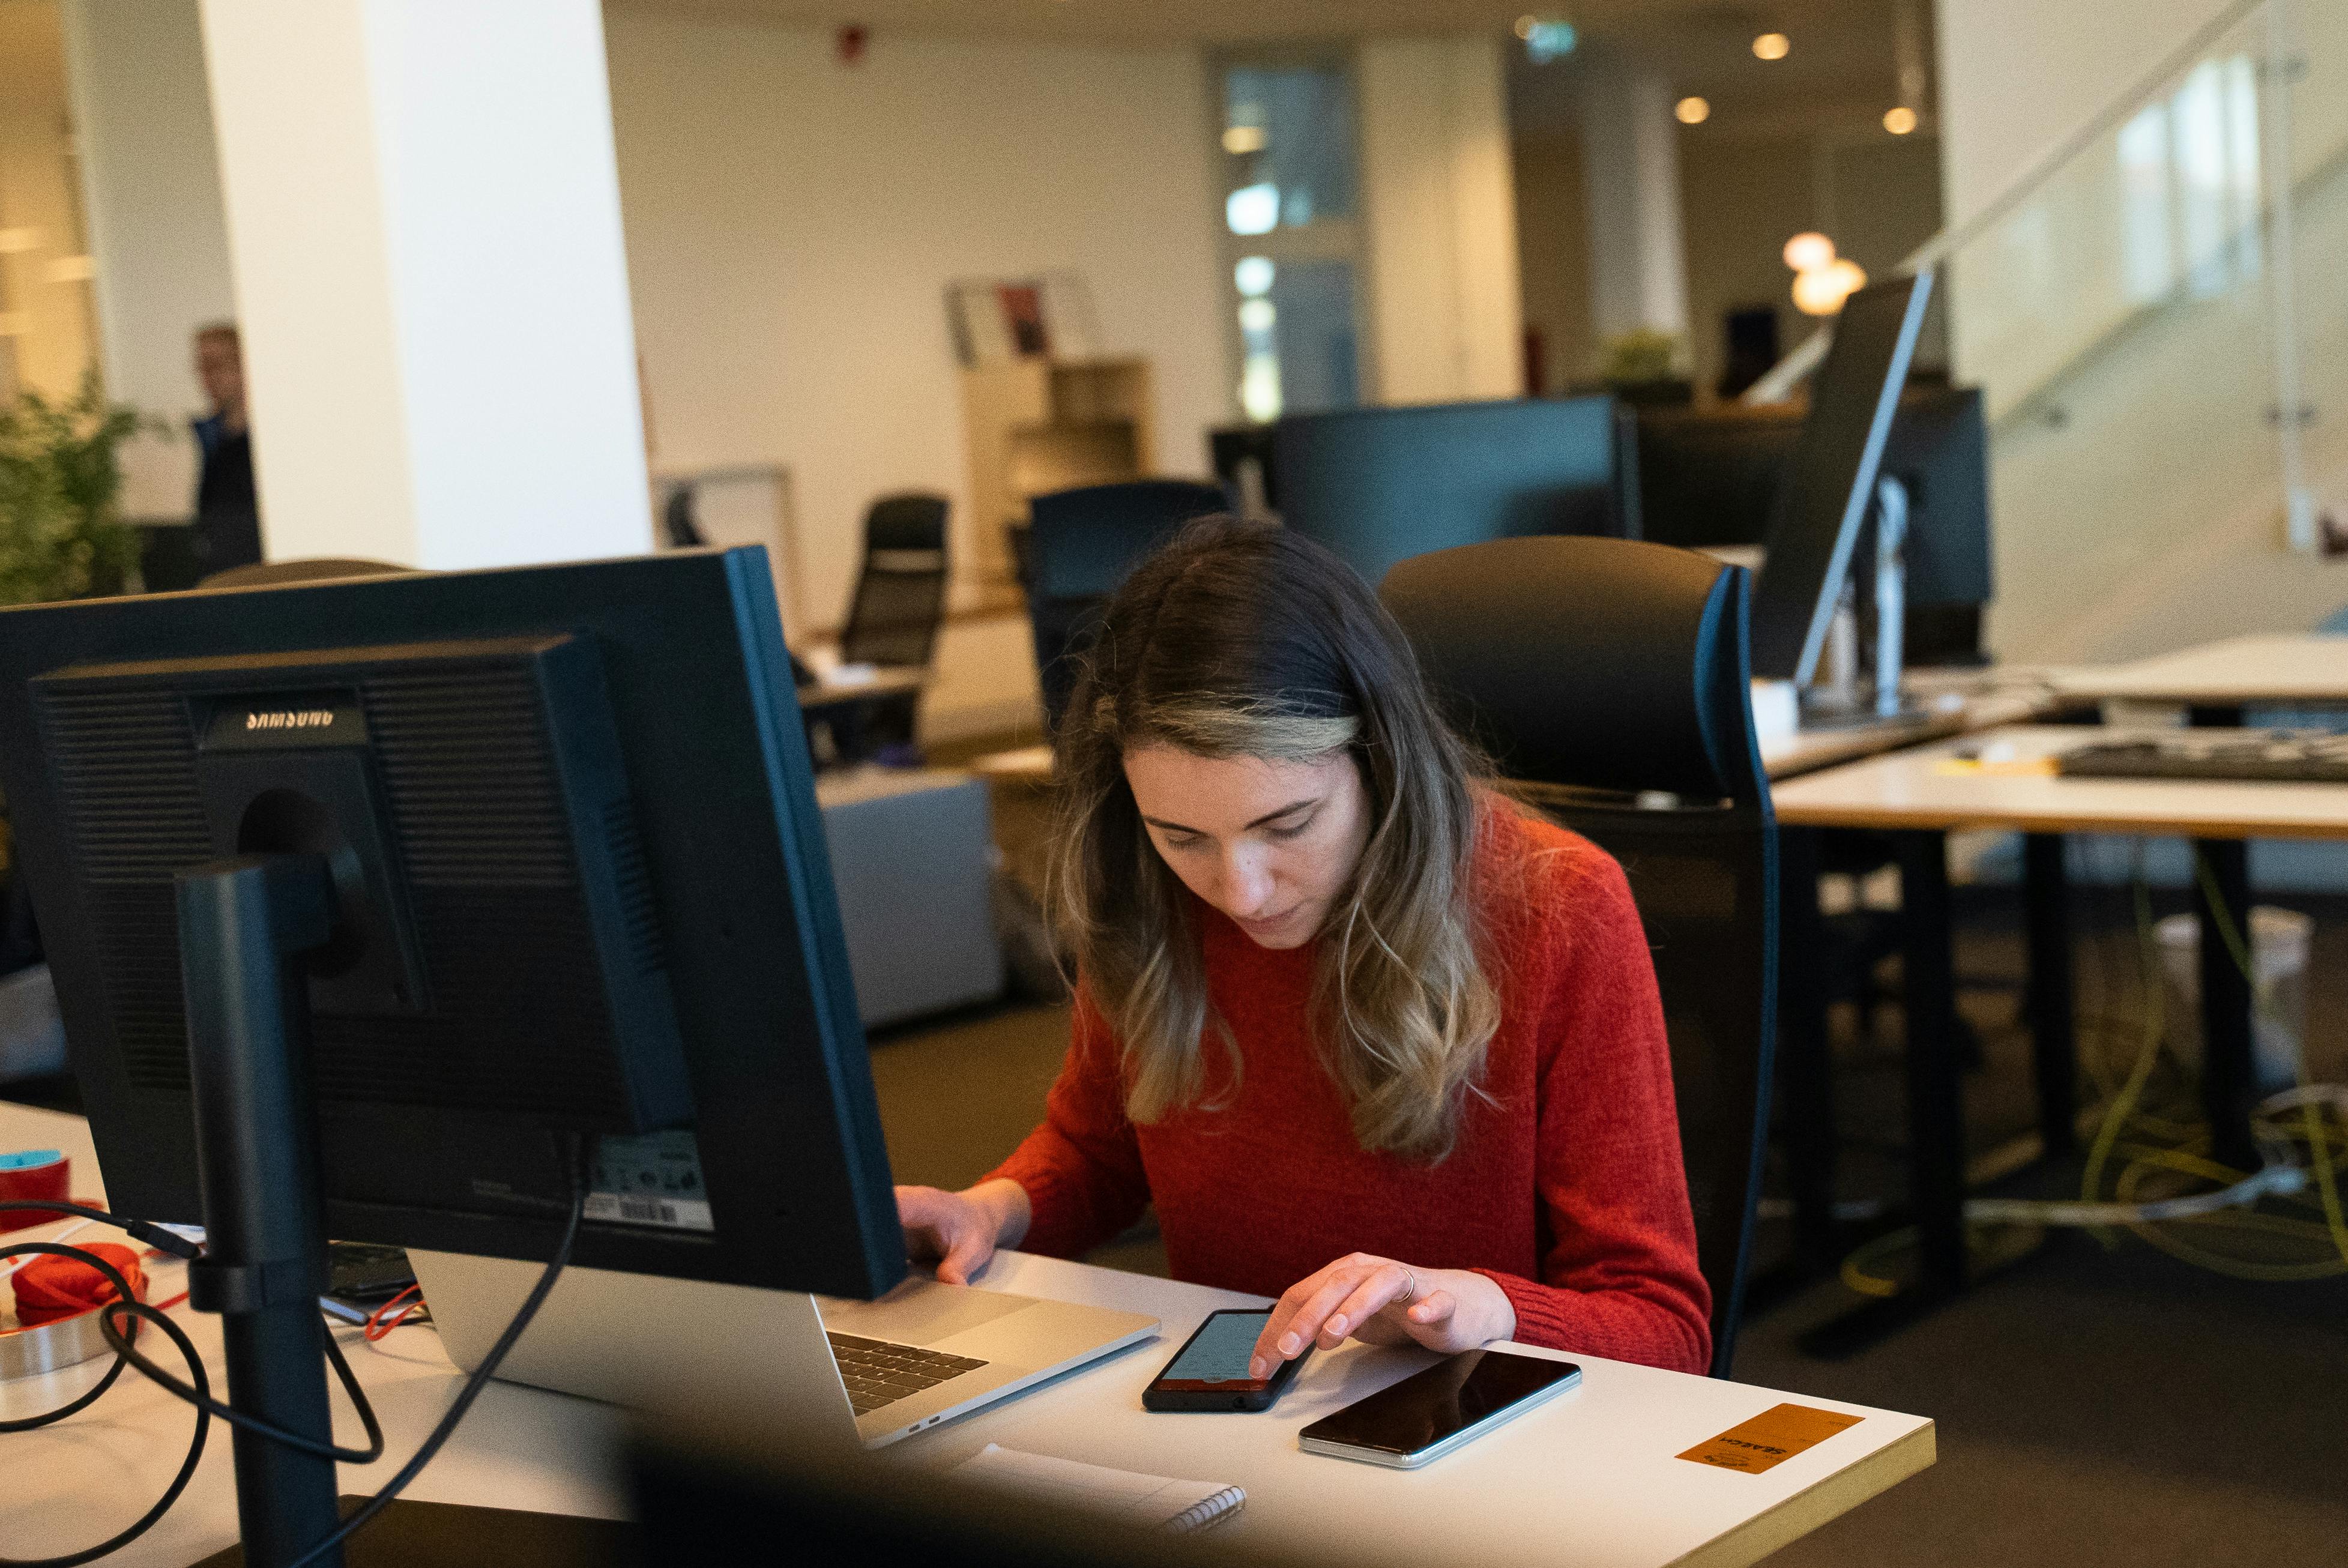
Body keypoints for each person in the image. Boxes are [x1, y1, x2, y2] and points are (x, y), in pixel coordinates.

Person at [896, 519, 1712, 1377]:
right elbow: (1100, 1151)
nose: (1239, 890)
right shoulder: (1146, 890)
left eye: (1285, 825)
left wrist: (1476, 1305)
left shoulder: (1554, 902)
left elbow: (1662, 1326)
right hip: (1240, 1418)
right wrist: (990, 1209)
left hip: (1471, 1431)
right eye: (1181, 837)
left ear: (1379, 761)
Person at [189, 322, 262, 575]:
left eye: (217, 366)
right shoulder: (208, 435)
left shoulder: (266, 440)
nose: (207, 377)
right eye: (202, 368)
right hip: (218, 575)